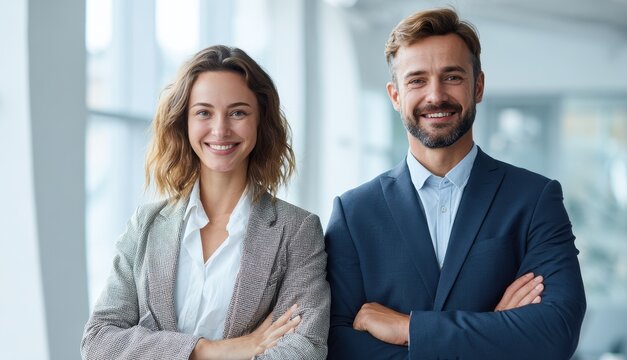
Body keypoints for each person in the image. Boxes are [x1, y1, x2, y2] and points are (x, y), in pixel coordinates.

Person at [325, 8, 586, 360]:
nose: (435, 96)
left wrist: (408, 329)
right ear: (395, 96)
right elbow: (339, 347)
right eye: (417, 80)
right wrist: (494, 330)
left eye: (452, 77)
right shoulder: (354, 213)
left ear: (477, 86)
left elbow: (557, 332)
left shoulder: (535, 199)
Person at [81, 45, 330, 360]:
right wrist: (211, 350)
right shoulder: (146, 224)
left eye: (238, 112)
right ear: (184, 121)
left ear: (259, 121)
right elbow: (99, 341)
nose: (220, 129)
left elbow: (304, 349)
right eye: (204, 112)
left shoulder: (297, 230)